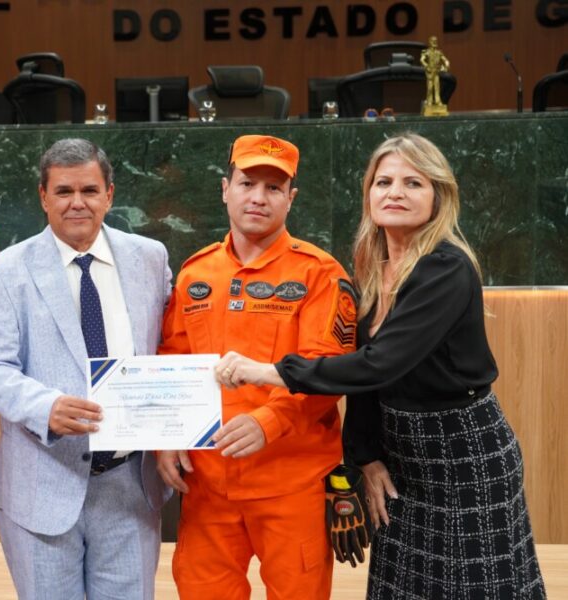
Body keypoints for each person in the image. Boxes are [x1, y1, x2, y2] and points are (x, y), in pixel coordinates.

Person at [216, 133, 547, 599]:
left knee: (474, 587)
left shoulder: (446, 268)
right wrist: (365, 457)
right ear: (368, 194)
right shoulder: (372, 267)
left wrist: (272, 371)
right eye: (383, 181)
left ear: (439, 196)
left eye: (413, 183)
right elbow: (367, 383)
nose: (395, 192)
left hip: (462, 454)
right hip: (401, 454)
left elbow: (378, 365)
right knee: (403, 587)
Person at [0, 138, 172, 599]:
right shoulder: (3, 272)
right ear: (43, 196)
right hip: (43, 485)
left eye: (89, 190)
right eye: (63, 191)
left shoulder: (150, 258)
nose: (77, 202)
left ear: (109, 194)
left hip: (129, 488)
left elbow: (169, 348)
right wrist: (46, 406)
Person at [158, 134, 358, 600]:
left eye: (273, 188)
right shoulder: (195, 273)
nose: (258, 198)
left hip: (292, 484)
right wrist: (164, 440)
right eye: (248, 183)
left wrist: (269, 421)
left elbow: (328, 370)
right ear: (225, 189)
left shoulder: (320, 274)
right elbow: (172, 362)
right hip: (207, 486)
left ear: (291, 198)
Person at [420, 36, 450, 108]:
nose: (434, 42)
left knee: (437, 87)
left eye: (435, 41)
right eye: (433, 41)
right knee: (430, 88)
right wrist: (427, 66)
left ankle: (437, 101)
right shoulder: (427, 52)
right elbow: (422, 60)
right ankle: (429, 102)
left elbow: (445, 60)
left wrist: (446, 65)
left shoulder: (439, 52)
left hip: (436, 72)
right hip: (430, 72)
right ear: (430, 42)